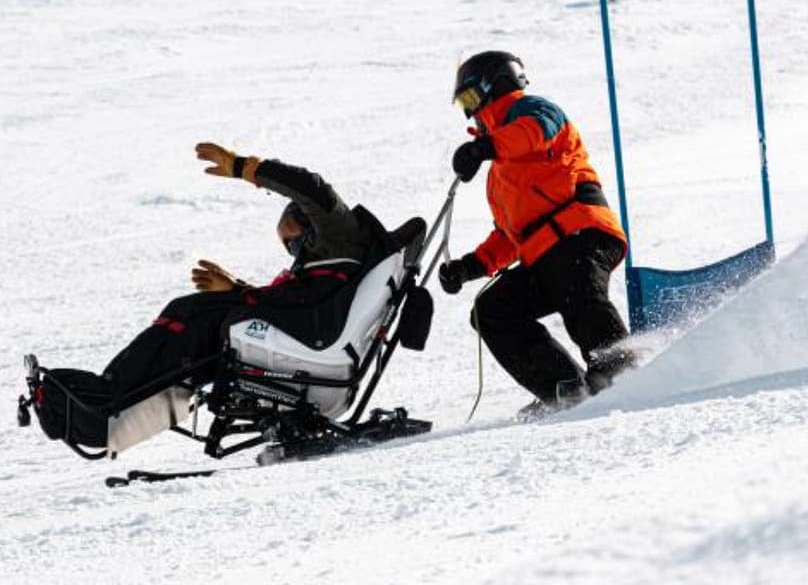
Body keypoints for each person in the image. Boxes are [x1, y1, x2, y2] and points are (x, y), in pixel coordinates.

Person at [29, 142, 380, 447]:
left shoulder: (341, 233)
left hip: (311, 347)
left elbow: (311, 188)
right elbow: (296, 303)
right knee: (193, 322)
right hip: (301, 339)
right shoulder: (321, 268)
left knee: (189, 314)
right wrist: (238, 291)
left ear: (311, 223)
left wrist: (244, 167)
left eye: (292, 237)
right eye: (286, 245)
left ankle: (104, 401)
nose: (292, 249)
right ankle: (109, 410)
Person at [438, 51, 635, 412]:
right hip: (543, 252)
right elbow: (509, 236)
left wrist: (486, 147)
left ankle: (622, 375)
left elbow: (536, 132)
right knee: (492, 310)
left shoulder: (532, 111)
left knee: (577, 290)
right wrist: (469, 267)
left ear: (494, 84)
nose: (468, 112)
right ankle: (566, 390)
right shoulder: (499, 173)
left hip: (579, 232)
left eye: (470, 99)